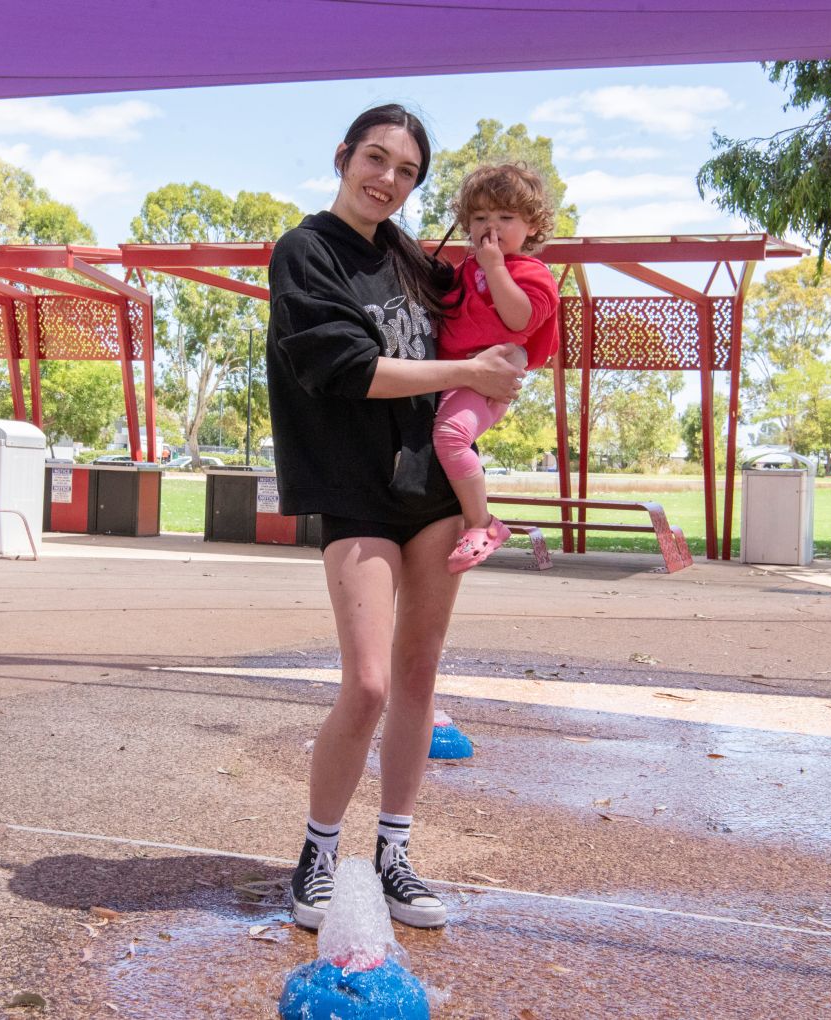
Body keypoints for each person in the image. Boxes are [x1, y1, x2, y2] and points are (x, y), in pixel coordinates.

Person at [266, 104, 526, 930]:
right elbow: (347, 367)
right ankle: (317, 849)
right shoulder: (306, 253)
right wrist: (469, 371)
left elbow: (489, 305)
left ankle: (394, 853)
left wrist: (513, 281)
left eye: (406, 171)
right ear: (343, 156)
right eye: (375, 159)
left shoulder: (414, 260)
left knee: (418, 677)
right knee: (370, 682)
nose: (387, 179)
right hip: (353, 490)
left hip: (432, 493)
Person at [434, 162, 560, 572]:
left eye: (506, 217)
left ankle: (482, 524)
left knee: (451, 437)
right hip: (452, 375)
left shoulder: (532, 274)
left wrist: (494, 267)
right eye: (480, 218)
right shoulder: (462, 272)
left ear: (531, 225)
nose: (493, 227)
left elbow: (519, 319)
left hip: (486, 382)